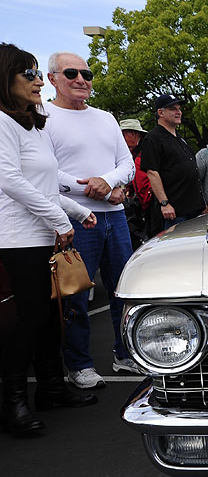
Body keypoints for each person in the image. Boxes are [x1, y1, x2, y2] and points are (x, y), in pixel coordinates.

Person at [0, 43, 98, 434]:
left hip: (44, 233)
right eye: (29, 74)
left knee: (50, 317)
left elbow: (45, 185)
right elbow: (10, 180)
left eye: (39, 72)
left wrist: (77, 211)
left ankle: (52, 388)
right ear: (5, 78)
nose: (39, 80)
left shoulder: (32, 125)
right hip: (19, 237)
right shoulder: (2, 122)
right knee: (32, 317)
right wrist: (60, 218)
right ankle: (12, 403)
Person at [44, 51, 139, 389]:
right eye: (71, 73)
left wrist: (108, 183)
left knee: (124, 291)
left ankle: (126, 354)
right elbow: (45, 171)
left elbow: (127, 164)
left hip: (115, 218)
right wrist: (95, 189)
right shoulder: (43, 117)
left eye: (87, 74)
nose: (81, 80)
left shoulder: (105, 117)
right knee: (76, 296)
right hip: (74, 219)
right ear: (53, 78)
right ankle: (79, 365)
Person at [139, 94, 205, 235]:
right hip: (174, 212)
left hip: (194, 209)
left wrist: (201, 203)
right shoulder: (152, 139)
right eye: (173, 109)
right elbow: (152, 172)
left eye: (179, 108)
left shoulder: (180, 139)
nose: (178, 112)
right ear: (160, 112)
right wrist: (164, 203)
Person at [119, 118, 152, 248]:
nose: (121, 140)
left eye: (123, 135)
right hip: (144, 205)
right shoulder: (132, 153)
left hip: (153, 204)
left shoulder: (147, 150)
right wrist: (130, 188)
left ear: (132, 134)